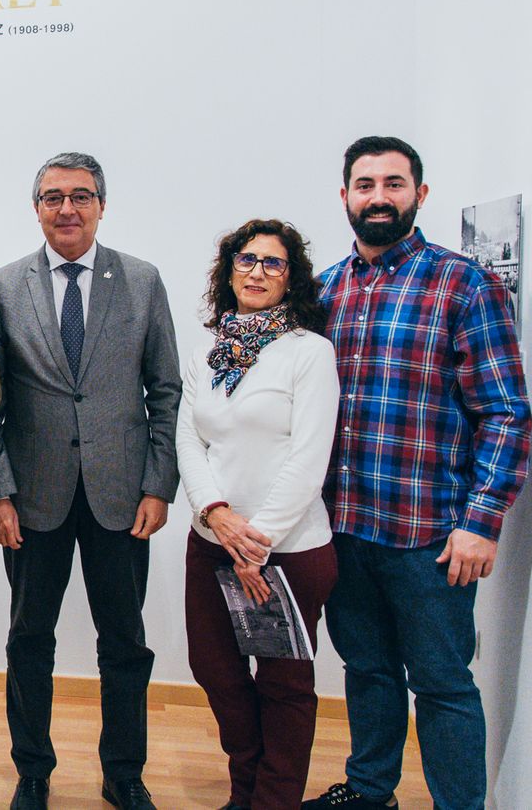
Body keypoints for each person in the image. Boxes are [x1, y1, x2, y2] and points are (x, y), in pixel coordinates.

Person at [304, 137, 532, 810]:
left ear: (419, 195)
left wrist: (481, 522)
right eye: (366, 184)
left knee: (441, 682)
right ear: (345, 196)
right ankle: (372, 790)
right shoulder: (325, 291)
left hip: (429, 535)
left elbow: (506, 412)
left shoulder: (464, 283)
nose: (379, 197)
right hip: (344, 526)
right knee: (367, 670)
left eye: (394, 184)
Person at [0, 152, 181, 810]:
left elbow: (166, 391)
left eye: (81, 196)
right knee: (28, 639)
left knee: (124, 642)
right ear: (35, 207)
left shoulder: (143, 281)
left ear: (101, 205)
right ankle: (32, 771)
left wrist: (159, 484)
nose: (68, 208)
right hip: (32, 498)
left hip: (123, 496)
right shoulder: (2, 286)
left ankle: (124, 772)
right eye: (53, 196)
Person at [176, 219, 339, 810]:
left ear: (290, 278)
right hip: (212, 541)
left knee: (284, 685)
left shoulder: (308, 353)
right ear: (229, 271)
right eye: (247, 260)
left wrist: (257, 541)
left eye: (272, 263)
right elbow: (189, 442)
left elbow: (308, 455)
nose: (256, 272)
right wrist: (216, 515)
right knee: (216, 672)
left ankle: (274, 801)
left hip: (289, 550)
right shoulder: (207, 353)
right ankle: (245, 788)